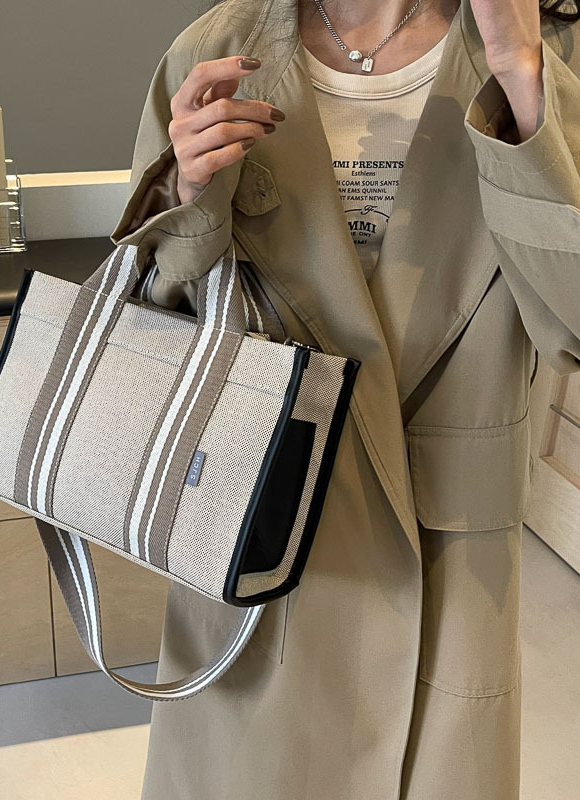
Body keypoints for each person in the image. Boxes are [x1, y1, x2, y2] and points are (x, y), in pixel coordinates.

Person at [108, 0, 580, 797]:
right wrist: (189, 196)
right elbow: (154, 324)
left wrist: (523, 80)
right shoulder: (218, 47)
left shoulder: (543, 44)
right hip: (261, 516)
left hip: (448, 553)